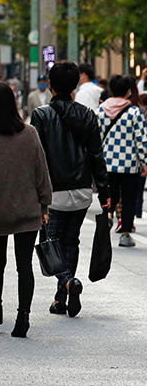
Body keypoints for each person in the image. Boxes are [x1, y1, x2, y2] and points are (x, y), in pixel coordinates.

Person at [0, 82, 53, 338]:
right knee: (24, 266)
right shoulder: (29, 133)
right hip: (27, 209)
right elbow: (41, 171)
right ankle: (23, 315)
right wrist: (44, 204)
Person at [30, 61, 110, 318]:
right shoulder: (88, 114)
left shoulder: (41, 115)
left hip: (52, 192)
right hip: (82, 190)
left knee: (49, 243)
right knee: (70, 242)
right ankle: (60, 298)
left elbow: (37, 157)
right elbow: (97, 154)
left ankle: (67, 282)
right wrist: (105, 190)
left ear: (50, 84)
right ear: (76, 84)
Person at [97, 74, 147, 248]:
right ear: (128, 92)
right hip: (129, 165)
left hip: (106, 163)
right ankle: (125, 234)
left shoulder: (100, 111)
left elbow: (94, 139)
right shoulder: (134, 112)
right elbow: (141, 140)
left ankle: (108, 218)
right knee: (129, 199)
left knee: (109, 196)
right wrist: (144, 162)